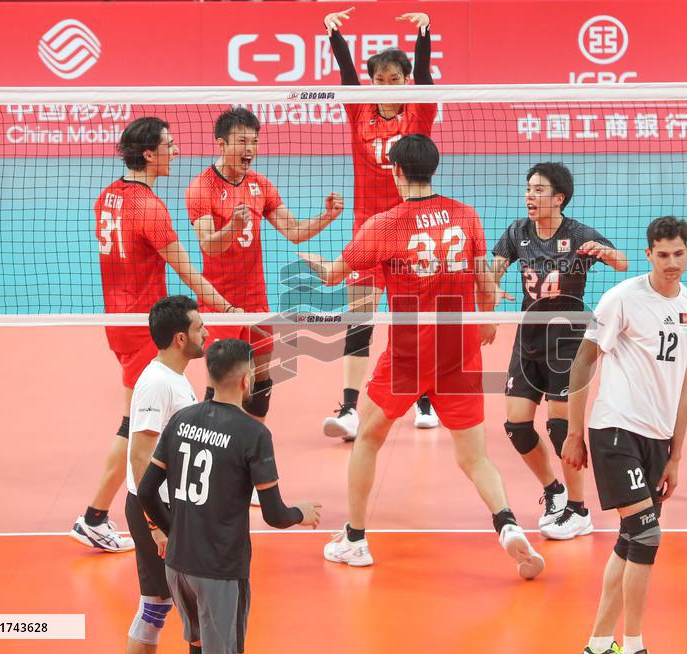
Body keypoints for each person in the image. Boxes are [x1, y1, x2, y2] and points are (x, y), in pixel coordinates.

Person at [300, 134, 544, 579]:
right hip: (459, 348)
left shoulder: (385, 224)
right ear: (434, 168)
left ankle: (354, 539)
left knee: (369, 440)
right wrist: (487, 317)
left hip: (409, 353)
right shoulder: (466, 216)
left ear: (394, 171)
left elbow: (337, 276)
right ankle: (506, 522)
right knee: (474, 456)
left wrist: (317, 263)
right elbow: (483, 279)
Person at [69, 116, 238, 553]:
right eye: (170, 145)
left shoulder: (107, 197)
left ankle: (95, 516)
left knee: (134, 424)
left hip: (119, 321)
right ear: (149, 154)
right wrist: (225, 305)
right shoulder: (151, 208)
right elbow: (186, 269)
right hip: (147, 327)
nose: (176, 151)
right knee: (143, 428)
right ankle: (142, 518)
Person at [564, 216, 687, 654]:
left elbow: (685, 384)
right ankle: (634, 645)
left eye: (678, 254)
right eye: (662, 255)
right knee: (647, 536)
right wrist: (574, 431)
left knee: (631, 540)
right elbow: (583, 362)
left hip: (657, 439)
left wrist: (676, 455)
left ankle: (598, 643)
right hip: (615, 429)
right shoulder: (622, 298)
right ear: (648, 254)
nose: (671, 263)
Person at [138, 338, 322, 654]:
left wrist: (174, 531)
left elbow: (145, 492)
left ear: (209, 377)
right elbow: (274, 515)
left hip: (178, 566)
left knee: (196, 644)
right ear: (245, 380)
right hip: (219, 571)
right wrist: (300, 513)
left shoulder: (181, 420)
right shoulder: (254, 435)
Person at [320, 6, 440, 439]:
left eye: (395, 78)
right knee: (360, 317)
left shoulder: (419, 113)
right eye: (380, 79)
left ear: (406, 80)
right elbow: (346, 76)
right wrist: (335, 36)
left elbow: (425, 77)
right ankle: (350, 409)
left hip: (412, 230)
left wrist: (425, 33)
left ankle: (424, 399)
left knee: (410, 318)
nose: (387, 86)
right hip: (368, 230)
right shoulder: (359, 111)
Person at [490, 162, 627, 540]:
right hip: (528, 339)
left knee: (560, 427)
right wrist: (488, 290)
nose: (530, 197)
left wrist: (602, 251)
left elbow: (623, 262)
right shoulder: (518, 232)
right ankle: (554, 490)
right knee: (517, 427)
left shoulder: (578, 233)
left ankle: (579, 510)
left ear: (559, 198)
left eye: (538, 190)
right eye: (528, 189)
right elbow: (494, 270)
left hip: (567, 344)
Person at [186, 106, 344, 422]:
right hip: (219, 302)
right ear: (221, 144)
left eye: (254, 142)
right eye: (242, 141)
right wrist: (232, 226)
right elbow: (209, 245)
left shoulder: (260, 185)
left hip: (256, 299)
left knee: (261, 379)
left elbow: (295, 232)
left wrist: (327, 216)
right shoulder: (201, 187)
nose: (250, 150)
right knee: (222, 383)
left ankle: (254, 443)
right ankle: (217, 445)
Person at [124, 296, 205, 654]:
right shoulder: (157, 384)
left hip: (173, 507)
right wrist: (156, 524)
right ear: (180, 338)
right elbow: (140, 455)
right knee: (201, 609)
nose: (206, 332)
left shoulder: (175, 378)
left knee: (156, 607)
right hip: (160, 512)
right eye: (199, 327)